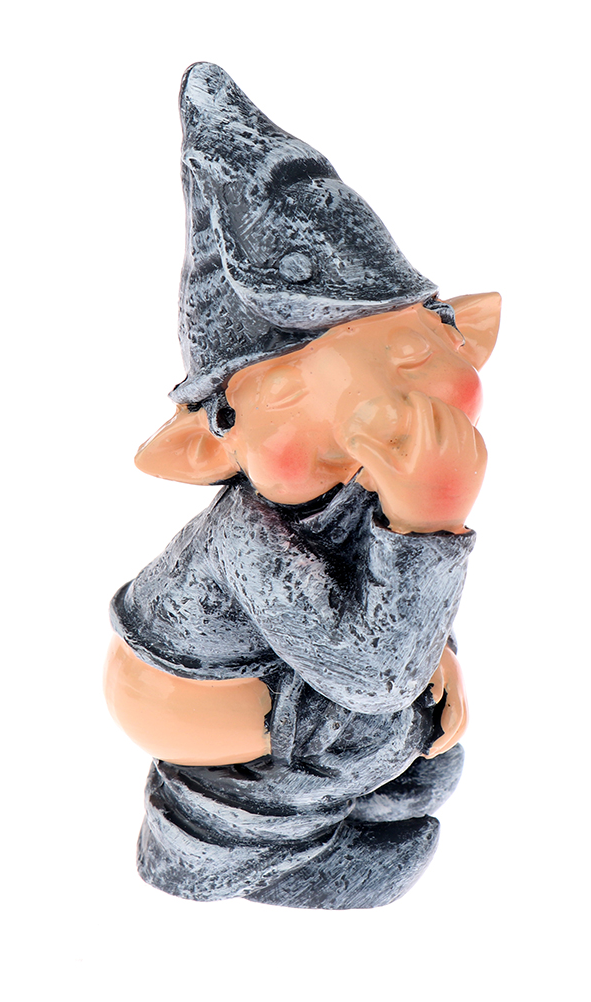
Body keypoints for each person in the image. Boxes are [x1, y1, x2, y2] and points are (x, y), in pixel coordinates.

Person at [104, 63, 499, 908]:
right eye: (288, 398)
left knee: (429, 747)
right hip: (210, 698)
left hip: (304, 670)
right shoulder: (246, 537)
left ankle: (340, 821)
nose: (358, 425)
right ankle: (215, 852)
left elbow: (380, 606)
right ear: (211, 444)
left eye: (409, 359)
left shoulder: (364, 485)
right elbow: (372, 672)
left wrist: (439, 654)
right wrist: (429, 522)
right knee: (382, 730)